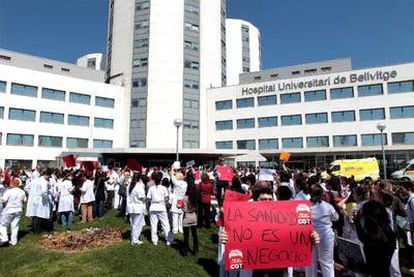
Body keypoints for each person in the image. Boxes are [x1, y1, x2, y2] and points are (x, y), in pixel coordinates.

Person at [220, 183, 320, 277]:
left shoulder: (281, 217)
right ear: (255, 200)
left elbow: (296, 235)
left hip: (276, 267)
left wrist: (312, 237)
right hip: (253, 269)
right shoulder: (243, 217)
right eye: (263, 199)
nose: (267, 202)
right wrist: (226, 237)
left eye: (270, 199)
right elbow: (235, 235)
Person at [355, 200, 396, 277]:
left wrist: (351, 263)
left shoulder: (373, 239)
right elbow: (363, 238)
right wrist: (357, 224)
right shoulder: (389, 233)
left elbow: (370, 268)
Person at [305, 184, 339, 277]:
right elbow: (336, 218)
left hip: (309, 236)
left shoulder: (304, 206)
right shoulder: (328, 206)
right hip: (325, 236)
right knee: (327, 263)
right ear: (321, 194)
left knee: (310, 262)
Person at [147, 172, 173, 245]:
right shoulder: (164, 188)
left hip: (154, 207)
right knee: (165, 224)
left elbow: (148, 199)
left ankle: (154, 240)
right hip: (161, 207)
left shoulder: (151, 188)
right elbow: (167, 198)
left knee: (154, 224)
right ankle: (169, 239)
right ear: (160, 180)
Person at [0, 178, 27, 246]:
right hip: (18, 210)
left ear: (12, 183)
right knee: (15, 226)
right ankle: (13, 241)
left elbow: (3, 200)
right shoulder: (22, 191)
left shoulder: (9, 191)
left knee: (3, 225)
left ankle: (4, 238)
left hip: (9, 210)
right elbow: (24, 200)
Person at [26, 169, 53, 234]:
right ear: (46, 175)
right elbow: (44, 192)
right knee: (39, 216)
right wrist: (46, 199)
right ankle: (37, 230)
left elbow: (26, 187)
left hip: (34, 200)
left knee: (34, 215)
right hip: (41, 200)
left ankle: (34, 229)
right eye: (49, 176)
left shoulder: (35, 180)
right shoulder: (44, 182)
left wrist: (32, 194)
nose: (49, 178)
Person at [127, 173, 146, 246]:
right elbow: (142, 197)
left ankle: (133, 238)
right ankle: (135, 240)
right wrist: (146, 198)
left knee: (133, 223)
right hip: (138, 207)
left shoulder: (130, 185)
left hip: (131, 206)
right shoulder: (139, 186)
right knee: (137, 224)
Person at [182, 183, 199, 256]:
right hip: (194, 217)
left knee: (186, 236)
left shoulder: (185, 198)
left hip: (186, 217)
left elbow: (183, 207)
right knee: (194, 235)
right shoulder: (196, 198)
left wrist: (182, 208)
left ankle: (185, 250)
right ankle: (195, 248)